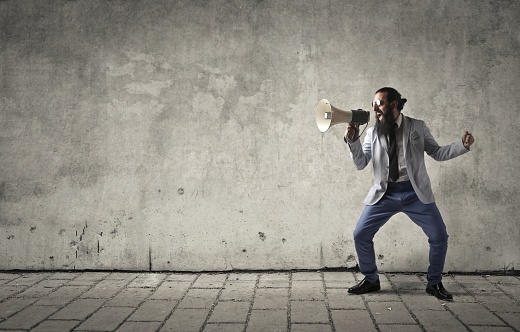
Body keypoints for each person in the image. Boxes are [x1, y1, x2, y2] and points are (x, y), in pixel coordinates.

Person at [344, 87, 475, 300]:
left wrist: (461, 146)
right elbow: (360, 163)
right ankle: (371, 279)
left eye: (380, 103)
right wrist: (353, 141)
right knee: (361, 234)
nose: (375, 108)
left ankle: (434, 283)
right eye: (373, 103)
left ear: (394, 105)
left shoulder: (417, 127)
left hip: (416, 193)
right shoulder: (372, 132)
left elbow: (438, 153)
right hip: (384, 194)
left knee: (439, 236)